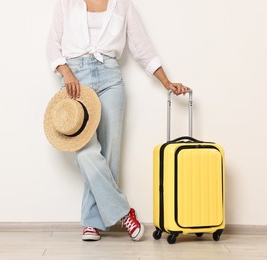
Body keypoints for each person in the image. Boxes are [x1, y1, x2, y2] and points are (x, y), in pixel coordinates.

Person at [46, 0, 189, 242]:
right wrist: (67, 72)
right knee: (85, 151)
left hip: (110, 78)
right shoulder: (66, 4)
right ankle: (124, 212)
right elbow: (52, 45)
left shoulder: (123, 6)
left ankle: (92, 222)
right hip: (75, 81)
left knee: (110, 151)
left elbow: (143, 49)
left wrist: (166, 82)